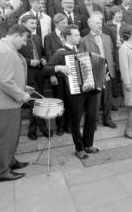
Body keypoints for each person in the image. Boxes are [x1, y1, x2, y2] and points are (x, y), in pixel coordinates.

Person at [43, 25, 100, 160]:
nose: (79, 37)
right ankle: (79, 148)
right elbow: (46, 69)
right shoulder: (61, 53)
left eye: (79, 34)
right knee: (75, 120)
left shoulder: (82, 50)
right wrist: (59, 68)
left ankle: (88, 144)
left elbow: (93, 67)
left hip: (90, 89)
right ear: (68, 37)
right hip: (75, 92)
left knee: (91, 117)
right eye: (76, 35)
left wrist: (103, 74)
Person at [0, 24, 31, 182]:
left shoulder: (6, 47)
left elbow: (9, 76)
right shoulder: (5, 51)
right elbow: (4, 81)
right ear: (17, 35)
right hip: (6, 103)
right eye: (24, 39)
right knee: (6, 138)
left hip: (7, 101)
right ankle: (1, 172)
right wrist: (21, 94)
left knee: (11, 136)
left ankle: (9, 161)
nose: (24, 43)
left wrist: (24, 87)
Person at [79, 16, 117, 129]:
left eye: (100, 23)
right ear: (90, 25)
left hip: (107, 71)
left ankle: (108, 119)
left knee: (107, 98)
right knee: (95, 99)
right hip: (94, 71)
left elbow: (112, 52)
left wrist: (110, 68)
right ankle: (93, 122)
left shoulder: (107, 37)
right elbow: (81, 58)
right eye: (96, 23)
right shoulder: (84, 40)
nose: (99, 25)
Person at [18, 15, 50, 140]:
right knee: (33, 101)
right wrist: (30, 62)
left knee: (39, 100)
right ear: (23, 23)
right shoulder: (19, 38)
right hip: (28, 72)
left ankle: (39, 128)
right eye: (31, 23)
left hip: (40, 72)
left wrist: (43, 59)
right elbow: (16, 57)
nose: (34, 25)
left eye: (35, 23)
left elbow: (42, 53)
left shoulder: (36, 38)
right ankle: (36, 129)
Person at [44, 14, 69, 135]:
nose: (65, 25)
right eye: (63, 23)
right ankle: (60, 126)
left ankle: (68, 125)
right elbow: (49, 56)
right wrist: (52, 75)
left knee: (69, 100)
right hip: (57, 74)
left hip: (69, 74)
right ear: (56, 23)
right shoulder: (49, 37)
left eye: (66, 22)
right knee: (59, 100)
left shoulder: (68, 35)